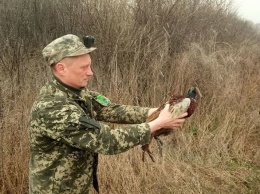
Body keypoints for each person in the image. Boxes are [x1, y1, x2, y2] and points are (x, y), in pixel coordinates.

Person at [28, 34, 188, 194]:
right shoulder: (52, 108)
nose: (90, 72)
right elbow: (106, 140)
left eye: (89, 66)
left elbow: (112, 109)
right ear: (61, 68)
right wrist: (157, 124)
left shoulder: (77, 93)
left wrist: (157, 111)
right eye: (84, 68)